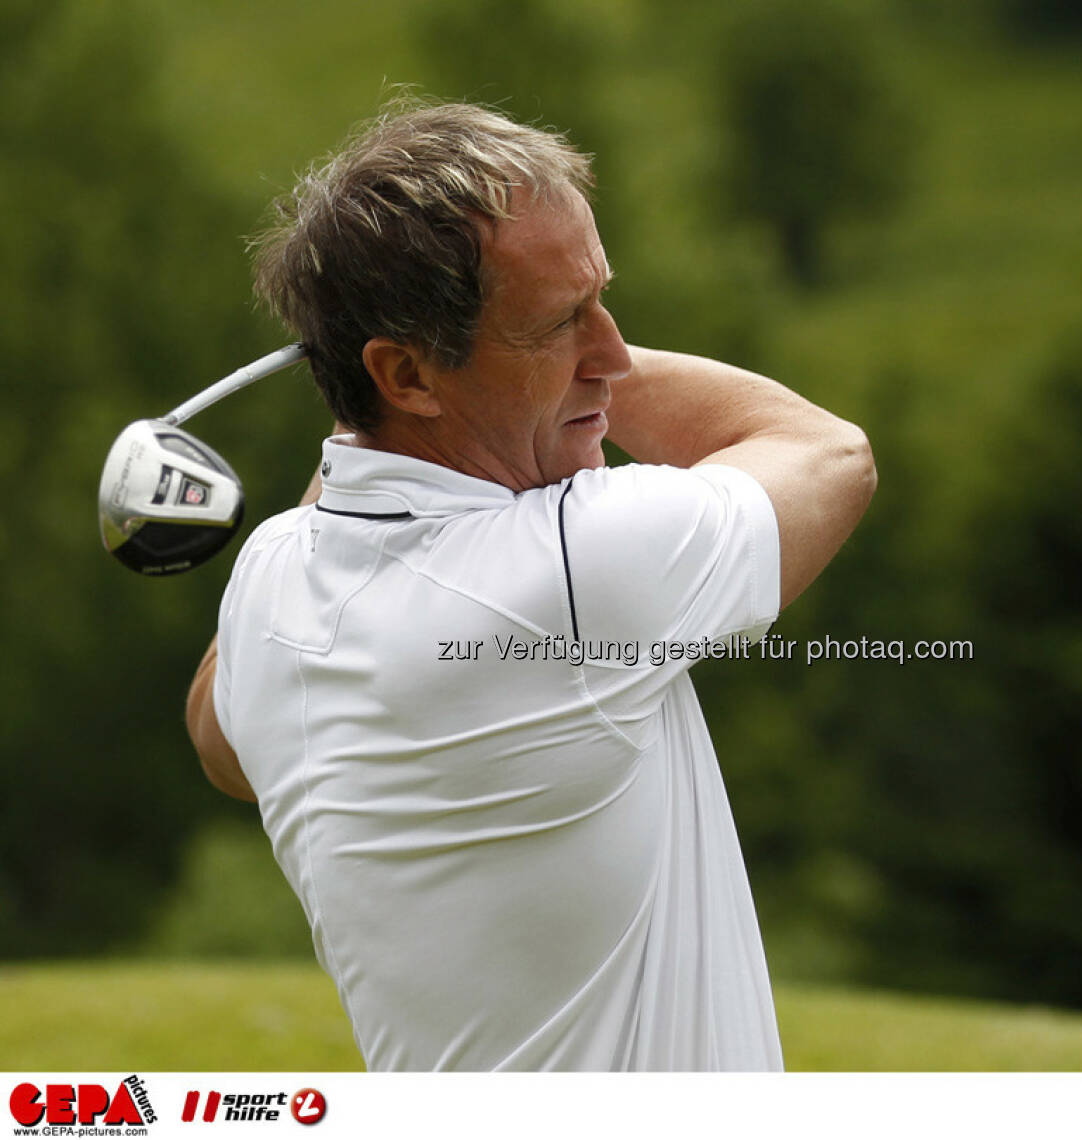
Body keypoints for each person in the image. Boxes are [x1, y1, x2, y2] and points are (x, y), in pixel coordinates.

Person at [185, 101, 875, 1071]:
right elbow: (829, 453)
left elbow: (222, 738)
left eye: (602, 298)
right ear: (411, 376)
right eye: (560, 323)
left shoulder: (271, 581)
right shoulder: (579, 569)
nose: (615, 355)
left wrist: (368, 408)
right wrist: (405, 394)